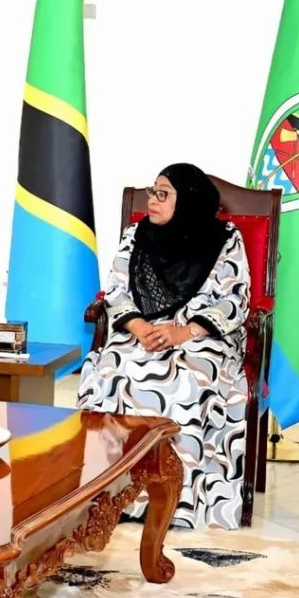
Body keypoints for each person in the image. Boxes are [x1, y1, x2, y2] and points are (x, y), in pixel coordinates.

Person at [77, 163, 251, 529]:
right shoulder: (137, 235)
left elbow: (235, 299)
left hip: (203, 336)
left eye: (162, 194)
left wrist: (185, 332)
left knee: (184, 378)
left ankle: (175, 500)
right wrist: (139, 327)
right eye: (152, 192)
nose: (151, 201)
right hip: (140, 329)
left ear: (187, 201)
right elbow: (116, 291)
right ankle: (114, 496)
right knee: (115, 371)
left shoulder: (224, 239)